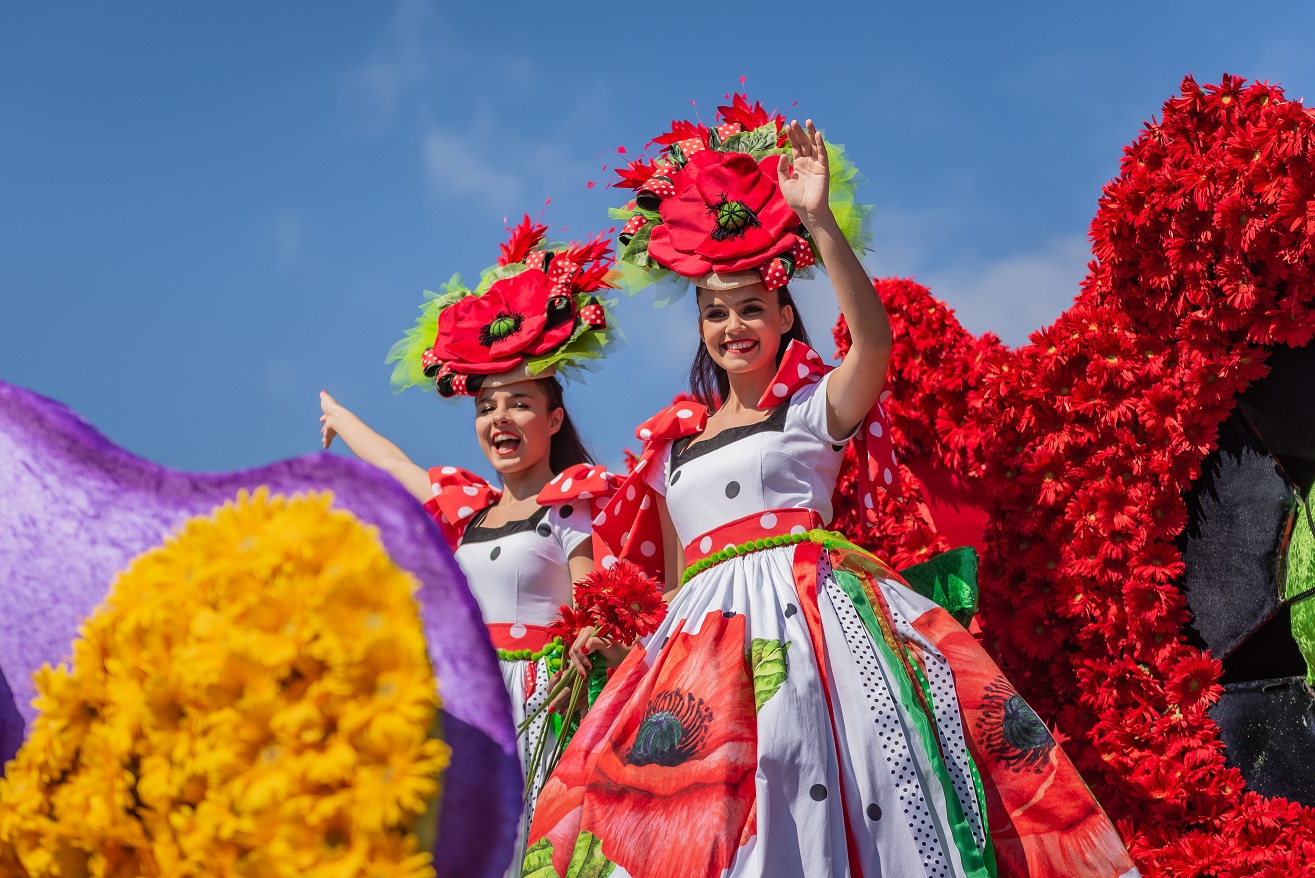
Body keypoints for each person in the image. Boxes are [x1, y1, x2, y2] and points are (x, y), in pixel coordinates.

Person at [525, 99, 1138, 878]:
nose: (732, 326)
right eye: (715, 314)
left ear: (784, 313)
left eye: (751, 307)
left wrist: (818, 221)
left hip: (814, 635)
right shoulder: (669, 449)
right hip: (696, 656)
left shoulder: (812, 410)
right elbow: (676, 582)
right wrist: (622, 650)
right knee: (688, 828)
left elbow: (874, 342)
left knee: (821, 785)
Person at [320, 217, 619, 878]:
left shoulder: (569, 505)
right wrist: (343, 421)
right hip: (468, 702)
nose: (498, 420)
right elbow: (399, 468)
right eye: (486, 407)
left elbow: (595, 604)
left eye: (518, 404)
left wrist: (593, 650)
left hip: (545, 702)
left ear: (553, 419)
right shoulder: (469, 508)